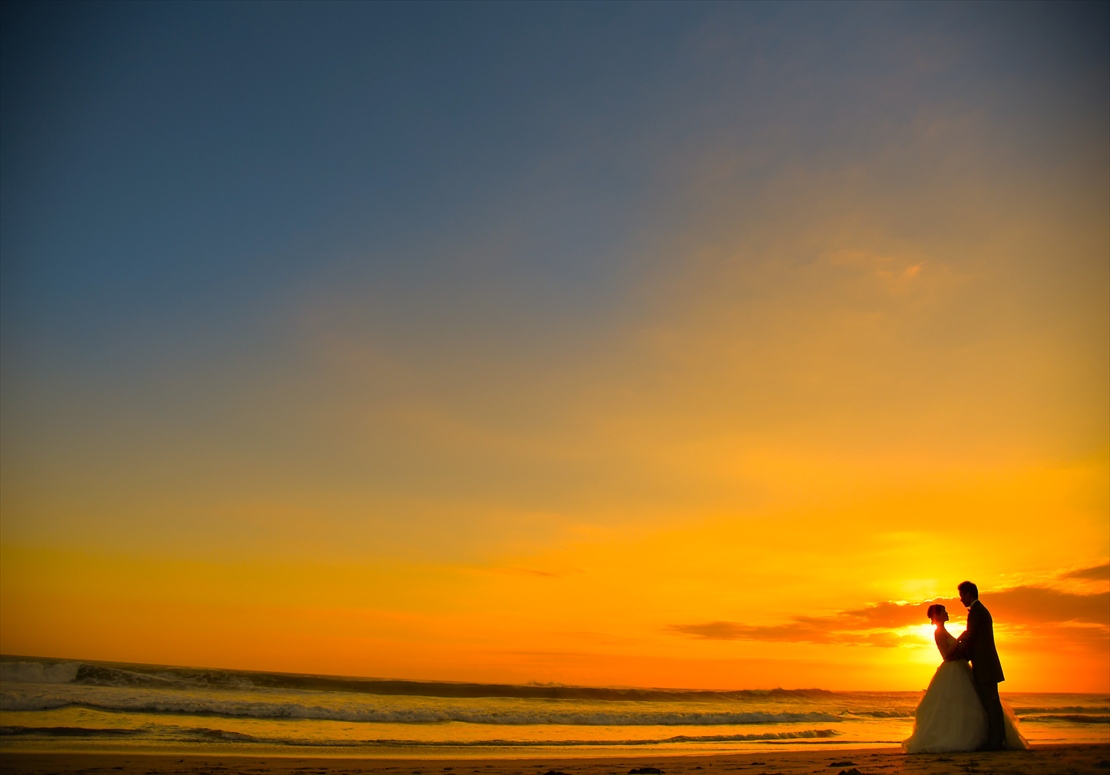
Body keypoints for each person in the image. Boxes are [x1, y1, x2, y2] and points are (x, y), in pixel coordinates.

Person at [902, 594, 1029, 754]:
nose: (947, 613)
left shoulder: (944, 630)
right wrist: (960, 639)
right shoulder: (938, 632)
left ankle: (988, 737)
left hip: (960, 667)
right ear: (937, 615)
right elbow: (946, 654)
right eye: (944, 611)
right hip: (952, 669)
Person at [950, 581, 1008, 750]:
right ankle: (998, 739)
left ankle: (996, 741)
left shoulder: (976, 612)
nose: (961, 600)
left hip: (985, 665)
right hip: (987, 664)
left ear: (969, 594)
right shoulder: (980, 611)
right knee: (992, 704)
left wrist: (958, 655)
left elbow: (971, 638)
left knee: (990, 704)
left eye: (962, 596)